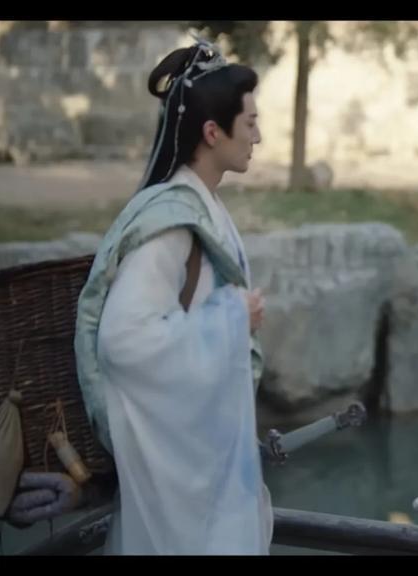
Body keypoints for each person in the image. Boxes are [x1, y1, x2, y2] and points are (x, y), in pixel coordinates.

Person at [74, 38, 271, 554]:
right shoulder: (171, 223)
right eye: (250, 122)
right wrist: (231, 317)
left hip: (203, 454)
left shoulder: (207, 208)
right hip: (177, 472)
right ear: (212, 132)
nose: (258, 136)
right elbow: (123, 341)